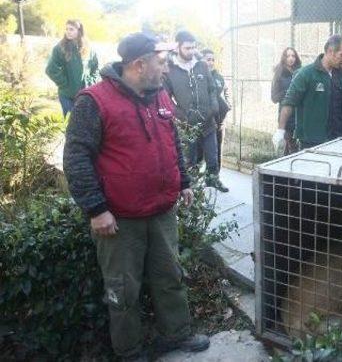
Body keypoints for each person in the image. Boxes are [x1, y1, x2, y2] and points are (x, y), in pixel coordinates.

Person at [63, 32, 209, 360]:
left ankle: (176, 334)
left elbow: (172, 142)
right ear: (139, 65)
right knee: (122, 290)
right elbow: (75, 157)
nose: (167, 68)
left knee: (169, 276)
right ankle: (129, 351)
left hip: (160, 211)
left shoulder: (159, 95)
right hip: (119, 219)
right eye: (161, 63)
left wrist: (183, 182)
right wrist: (96, 209)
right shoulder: (94, 101)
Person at [272, 35, 342, 151]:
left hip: (340, 140)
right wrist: (280, 131)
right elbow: (289, 103)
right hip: (313, 143)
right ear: (330, 51)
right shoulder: (306, 74)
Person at [163, 31, 227, 192]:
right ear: (177, 47)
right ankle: (190, 189)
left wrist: (213, 107)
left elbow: (212, 88)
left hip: (208, 121)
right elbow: (166, 98)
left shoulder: (202, 65)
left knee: (212, 156)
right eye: (187, 48)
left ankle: (213, 180)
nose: (191, 51)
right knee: (189, 160)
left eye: (193, 47)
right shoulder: (170, 70)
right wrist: (181, 115)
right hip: (187, 124)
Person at [45, 19, 100, 116]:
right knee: (70, 123)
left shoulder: (89, 49)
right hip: (67, 95)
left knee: (84, 125)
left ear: (79, 31)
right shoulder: (60, 48)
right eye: (66, 29)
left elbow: (96, 69)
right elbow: (50, 69)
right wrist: (64, 84)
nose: (68, 32)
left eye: (71, 29)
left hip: (85, 95)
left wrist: (91, 82)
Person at [201, 48, 231, 192]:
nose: (211, 62)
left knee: (216, 151)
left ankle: (214, 178)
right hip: (202, 121)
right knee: (198, 153)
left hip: (219, 120)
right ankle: (198, 180)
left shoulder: (218, 77)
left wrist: (224, 117)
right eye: (208, 59)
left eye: (213, 59)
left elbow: (226, 95)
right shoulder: (197, 77)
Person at [270, 47, 302, 154]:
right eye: (288, 56)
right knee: (291, 147)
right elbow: (274, 98)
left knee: (294, 148)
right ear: (284, 58)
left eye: (293, 56)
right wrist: (288, 92)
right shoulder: (279, 74)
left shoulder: (300, 72)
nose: (291, 58)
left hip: (299, 115)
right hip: (286, 116)